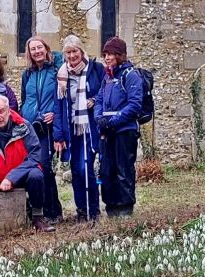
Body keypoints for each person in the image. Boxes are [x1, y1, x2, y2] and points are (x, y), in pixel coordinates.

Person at [0, 94, 56, 232]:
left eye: (1, 111)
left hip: (23, 175)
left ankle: (38, 216)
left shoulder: (25, 126)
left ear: (9, 110)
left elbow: (34, 156)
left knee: (36, 175)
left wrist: (12, 177)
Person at [53, 36, 104, 223]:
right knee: (75, 170)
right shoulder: (61, 76)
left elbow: (104, 91)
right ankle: (81, 210)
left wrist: (95, 100)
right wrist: (58, 133)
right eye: (68, 52)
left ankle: (94, 210)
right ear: (64, 55)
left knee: (85, 168)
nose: (72, 55)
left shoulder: (95, 69)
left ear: (81, 51)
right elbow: (57, 106)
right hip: (71, 128)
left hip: (89, 128)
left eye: (75, 51)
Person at [94, 36, 146, 218]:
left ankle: (125, 209)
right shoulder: (107, 77)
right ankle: (111, 207)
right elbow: (99, 99)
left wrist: (113, 121)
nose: (107, 58)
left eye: (111, 54)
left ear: (120, 55)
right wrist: (98, 117)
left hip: (124, 131)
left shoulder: (130, 75)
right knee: (107, 170)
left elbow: (134, 105)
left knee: (123, 170)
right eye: (105, 54)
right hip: (107, 131)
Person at [18, 36, 65, 224]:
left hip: (47, 127)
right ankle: (41, 211)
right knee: (34, 167)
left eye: (39, 47)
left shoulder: (55, 69)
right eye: (32, 49)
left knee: (44, 166)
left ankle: (53, 211)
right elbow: (25, 97)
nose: (36, 51)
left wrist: (54, 112)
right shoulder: (27, 74)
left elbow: (62, 95)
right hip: (30, 127)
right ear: (29, 53)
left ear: (46, 49)